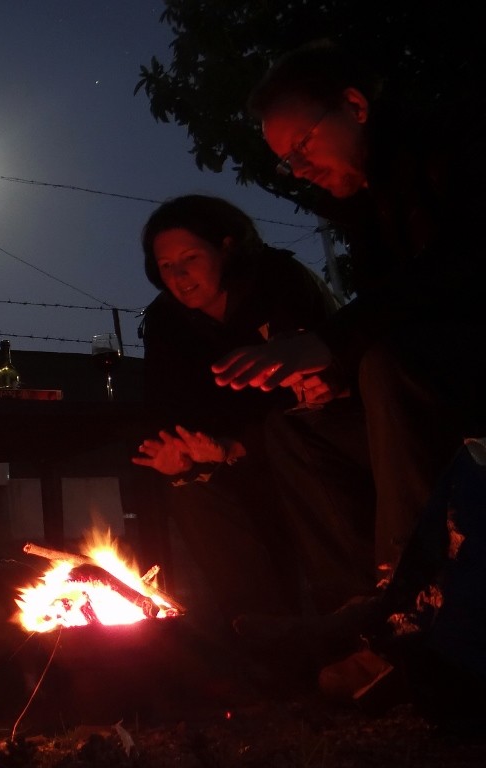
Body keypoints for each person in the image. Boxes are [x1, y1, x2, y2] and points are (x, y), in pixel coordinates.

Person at [220, 40, 486, 727]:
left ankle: (405, 616)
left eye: (303, 144)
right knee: (298, 428)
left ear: (356, 107)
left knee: (386, 365)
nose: (297, 168)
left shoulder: (450, 153)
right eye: (285, 160)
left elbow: (454, 275)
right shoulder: (365, 216)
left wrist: (337, 345)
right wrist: (332, 378)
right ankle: (362, 615)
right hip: (433, 393)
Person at [130, 194, 343, 636]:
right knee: (189, 490)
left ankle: (348, 623)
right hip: (230, 457)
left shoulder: (279, 282)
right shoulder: (168, 323)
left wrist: (234, 444)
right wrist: (178, 456)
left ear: (226, 247)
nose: (179, 275)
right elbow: (169, 410)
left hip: (317, 440)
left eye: (190, 258)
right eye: (166, 265)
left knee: (292, 449)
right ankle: (267, 640)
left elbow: (317, 390)